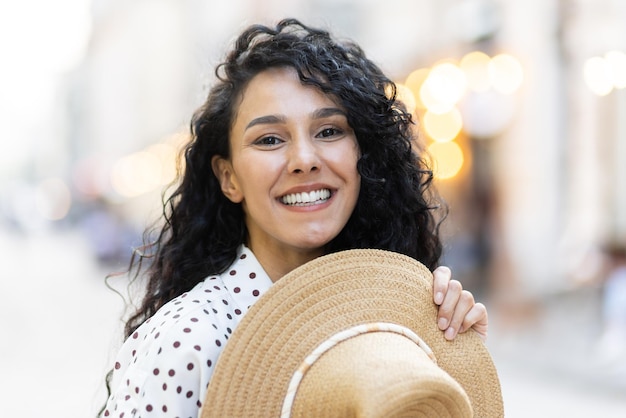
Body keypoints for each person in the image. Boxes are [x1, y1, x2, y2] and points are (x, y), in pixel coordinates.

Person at [99, 18, 488, 418]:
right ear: (229, 178)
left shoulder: (392, 319)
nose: (304, 160)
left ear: (363, 157)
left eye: (329, 131)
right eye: (270, 139)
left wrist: (449, 350)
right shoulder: (191, 340)